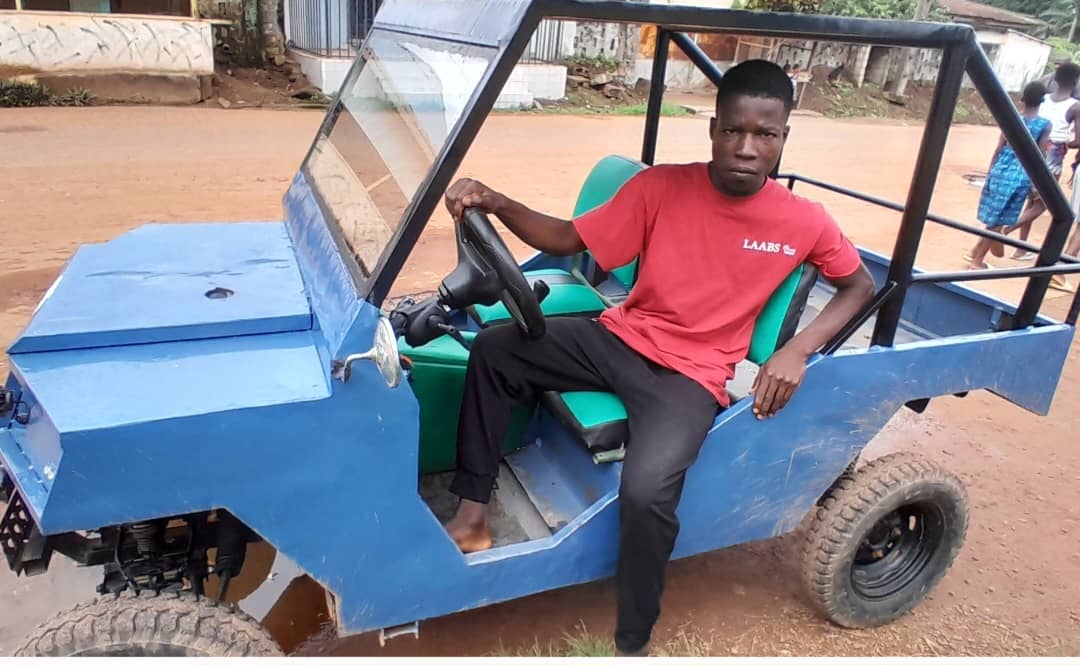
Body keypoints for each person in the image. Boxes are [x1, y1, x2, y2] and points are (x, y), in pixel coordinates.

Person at [440, 59, 876, 656]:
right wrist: (495, 200)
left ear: (783, 138)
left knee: (647, 494)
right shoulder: (662, 187)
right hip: (621, 336)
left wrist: (797, 350)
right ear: (714, 129)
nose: (746, 148)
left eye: (764, 135)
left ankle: (633, 636)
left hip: (690, 375)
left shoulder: (804, 220)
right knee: (495, 348)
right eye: (733, 130)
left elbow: (859, 285)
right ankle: (471, 519)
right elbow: (568, 237)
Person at [965, 81, 1051, 270]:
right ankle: (977, 260)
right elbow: (1040, 154)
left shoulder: (1011, 119)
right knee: (1001, 220)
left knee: (995, 217)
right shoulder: (1044, 124)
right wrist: (1038, 182)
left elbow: (998, 148)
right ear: (1043, 100)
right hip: (1020, 174)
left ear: (1022, 98)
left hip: (1000, 169)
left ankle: (975, 252)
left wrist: (990, 173)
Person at [1000, 63, 1080, 260]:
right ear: (1076, 80)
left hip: (1032, 149)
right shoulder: (1075, 106)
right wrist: (1062, 144)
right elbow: (1078, 140)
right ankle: (1004, 231)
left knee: (1032, 200)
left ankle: (1020, 248)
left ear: (1055, 79)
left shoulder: (1042, 99)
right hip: (1052, 154)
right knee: (1044, 203)